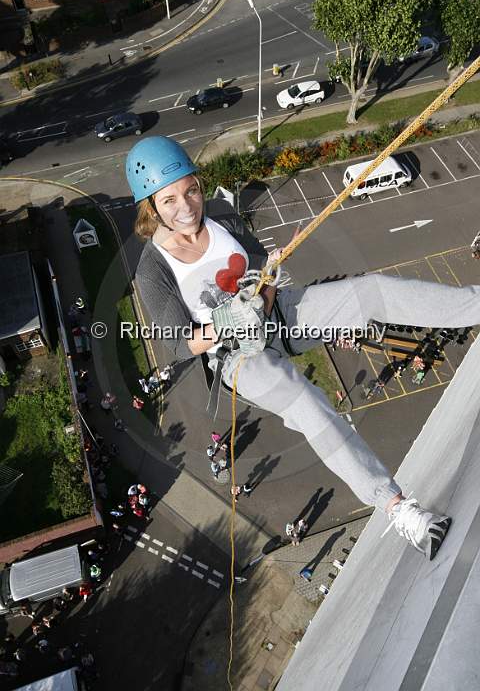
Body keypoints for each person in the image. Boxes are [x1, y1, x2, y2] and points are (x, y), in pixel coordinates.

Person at [126, 136, 480, 561]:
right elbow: (180, 345)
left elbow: (264, 274)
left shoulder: (221, 216)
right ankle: (398, 509)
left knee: (372, 292)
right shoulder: (153, 268)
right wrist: (225, 323)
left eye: (191, 190)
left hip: (277, 316)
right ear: (150, 207)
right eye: (169, 200)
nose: (186, 206)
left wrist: (264, 293)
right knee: (304, 401)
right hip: (236, 357)